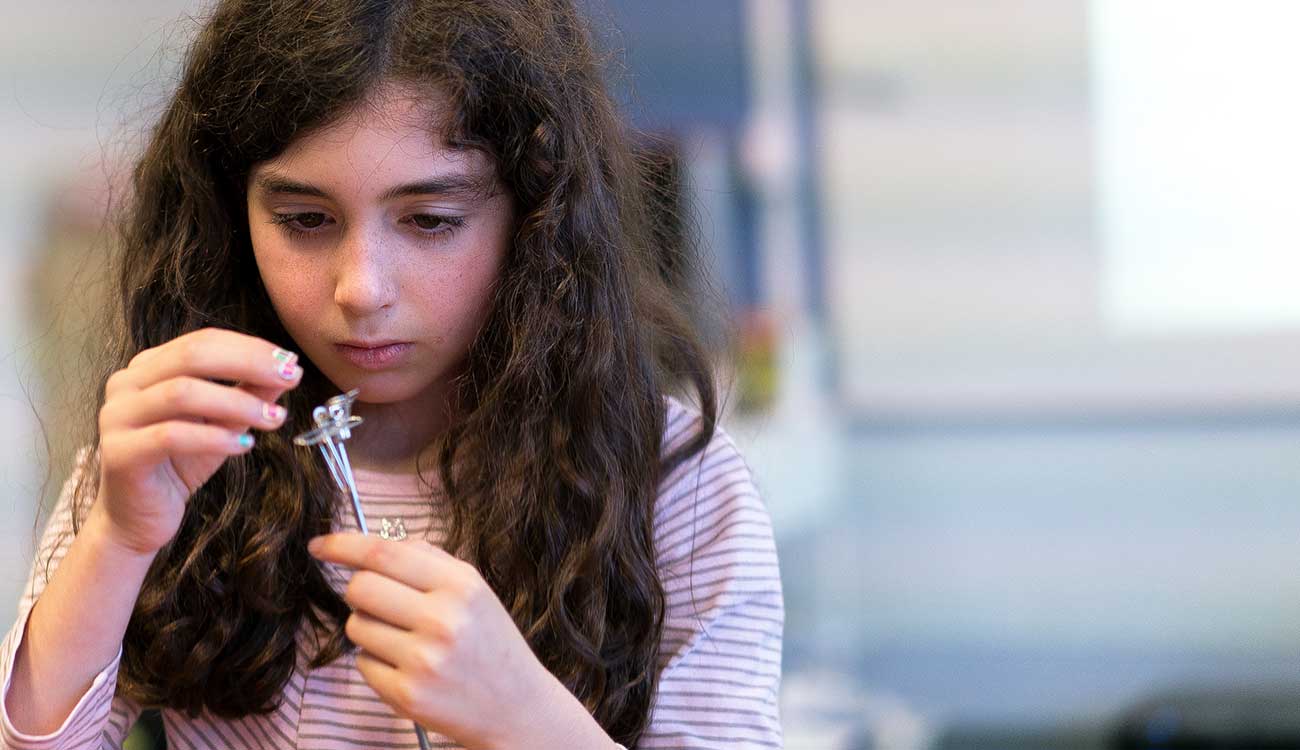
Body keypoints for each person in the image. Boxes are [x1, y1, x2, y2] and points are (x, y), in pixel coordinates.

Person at [0, 1, 783, 749]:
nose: (361, 288)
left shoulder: (678, 490)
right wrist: (118, 538)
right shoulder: (178, 458)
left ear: (535, 211)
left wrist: (527, 722)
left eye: (430, 222)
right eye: (305, 220)